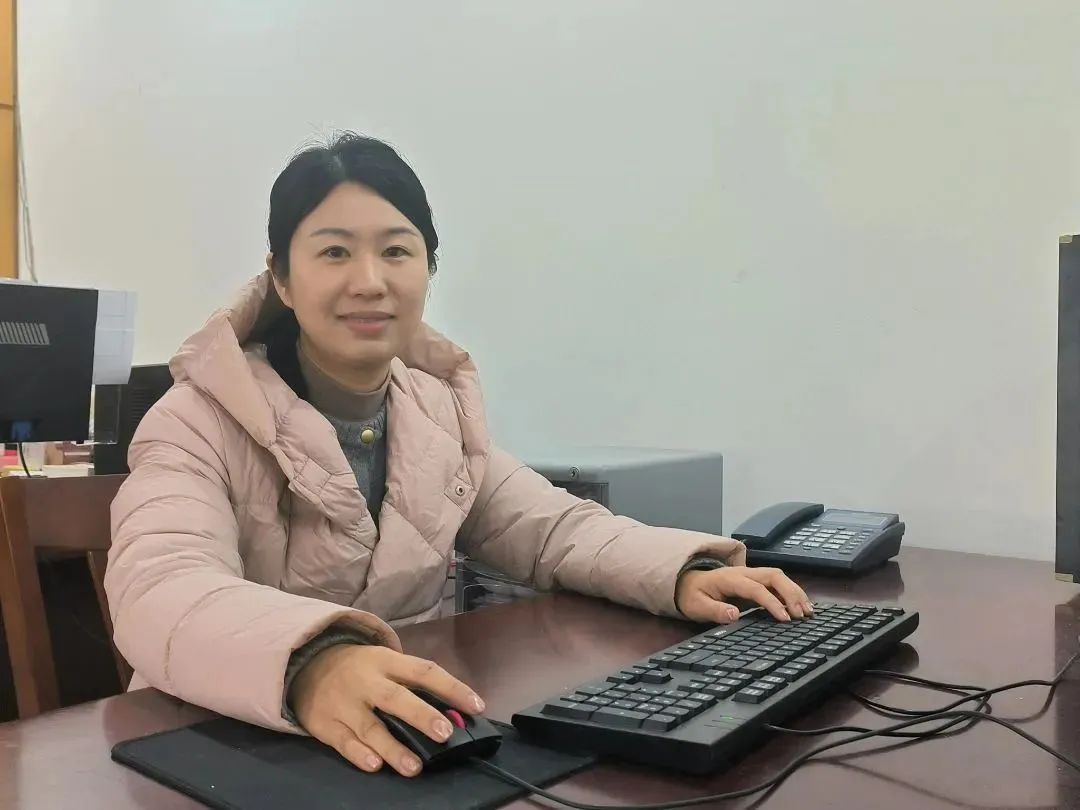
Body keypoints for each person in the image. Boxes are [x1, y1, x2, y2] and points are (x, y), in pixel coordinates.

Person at [105, 132, 811, 779]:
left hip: (402, 741)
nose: (369, 281)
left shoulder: (435, 411)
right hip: (222, 743)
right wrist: (313, 664)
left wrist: (681, 572)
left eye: (396, 250)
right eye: (334, 252)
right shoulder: (196, 420)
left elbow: (551, 527)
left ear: (428, 268)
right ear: (281, 279)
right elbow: (159, 586)